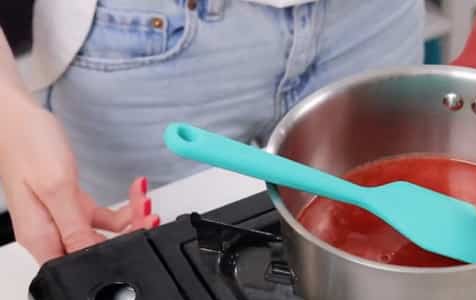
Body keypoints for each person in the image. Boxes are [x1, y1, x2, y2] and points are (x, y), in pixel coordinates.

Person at [0, 0, 425, 263]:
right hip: (141, 40)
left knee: (392, 247)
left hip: (372, 18)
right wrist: (10, 111)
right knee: (150, 267)